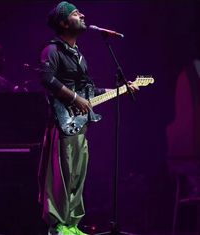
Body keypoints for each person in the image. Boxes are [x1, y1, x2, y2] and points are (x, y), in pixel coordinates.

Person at [37, 2, 138, 235]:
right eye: (75, 13)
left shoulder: (78, 55)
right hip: (61, 124)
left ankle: (72, 224)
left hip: (79, 126)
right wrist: (74, 98)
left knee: (76, 176)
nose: (82, 15)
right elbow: (46, 78)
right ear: (63, 23)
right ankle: (59, 227)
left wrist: (122, 88)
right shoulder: (52, 50)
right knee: (61, 177)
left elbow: (88, 94)